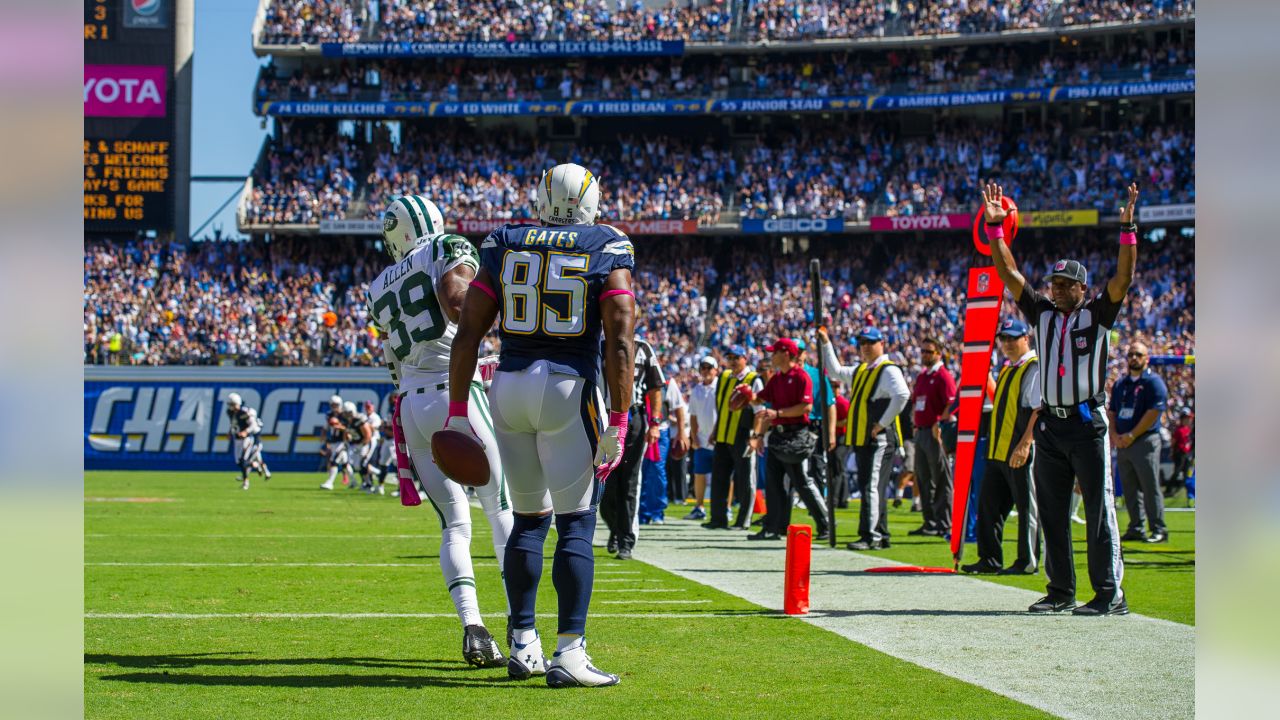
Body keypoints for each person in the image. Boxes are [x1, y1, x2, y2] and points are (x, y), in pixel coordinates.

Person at [446, 162, 635, 687]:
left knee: (529, 520)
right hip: (566, 386)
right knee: (576, 522)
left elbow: (467, 333)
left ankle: (522, 642)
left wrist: (458, 411)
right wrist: (619, 417)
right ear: (590, 201)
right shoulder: (606, 243)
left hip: (507, 386)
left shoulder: (504, 240)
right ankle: (569, 652)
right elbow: (619, 338)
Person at [368, 194, 514, 668]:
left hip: (412, 403)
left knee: (455, 521)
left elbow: (395, 363)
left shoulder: (377, 286)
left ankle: (473, 627)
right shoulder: (447, 246)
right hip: (455, 394)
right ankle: (521, 624)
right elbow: (457, 306)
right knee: (501, 507)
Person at [983, 180, 1137, 616]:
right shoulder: (1043, 314)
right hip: (1052, 424)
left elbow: (1123, 278)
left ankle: (1109, 594)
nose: (1057, 289)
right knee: (1051, 510)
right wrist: (996, 231)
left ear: (1083, 289)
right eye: (1054, 283)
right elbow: (1011, 275)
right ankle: (1060, 590)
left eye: (1067, 285)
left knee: (1098, 510)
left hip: (1088, 423)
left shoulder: (1097, 315)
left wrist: (1128, 230)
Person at [818, 326, 910, 551]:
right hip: (864, 438)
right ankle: (881, 533)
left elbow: (902, 395)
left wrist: (882, 423)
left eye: (870, 342)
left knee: (871, 487)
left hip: (878, 438)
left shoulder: (887, 370)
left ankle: (871, 535)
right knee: (872, 486)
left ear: (881, 344)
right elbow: (836, 371)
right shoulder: (863, 370)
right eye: (862, 343)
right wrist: (826, 343)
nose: (866, 347)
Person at [962, 318, 1042, 575]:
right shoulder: (1008, 368)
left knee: (1027, 507)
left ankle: (1027, 560)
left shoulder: (1034, 367)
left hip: (1018, 450)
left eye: (1012, 338)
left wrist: (1026, 443)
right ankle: (989, 558)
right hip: (997, 450)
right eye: (1003, 338)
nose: (1007, 343)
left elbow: (1039, 410)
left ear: (1025, 339)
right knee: (989, 507)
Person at [747, 338, 827, 541]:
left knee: (802, 482)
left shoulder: (802, 377)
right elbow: (760, 399)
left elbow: (805, 407)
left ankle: (825, 523)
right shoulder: (776, 379)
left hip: (796, 434)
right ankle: (773, 527)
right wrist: (747, 395)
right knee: (773, 484)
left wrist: (778, 413)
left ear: (785, 354)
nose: (771, 356)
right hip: (778, 434)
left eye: (775, 352)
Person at [600, 327, 663, 559]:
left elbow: (656, 387)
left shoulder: (643, 348)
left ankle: (626, 540)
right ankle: (616, 528)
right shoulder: (598, 346)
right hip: (603, 418)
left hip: (632, 417)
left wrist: (655, 422)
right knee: (605, 485)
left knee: (629, 482)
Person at [1109, 341, 1170, 543]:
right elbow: (1112, 412)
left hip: (1144, 440)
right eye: (1131, 354)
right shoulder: (1121, 383)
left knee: (1149, 485)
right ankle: (1136, 526)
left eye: (1138, 354)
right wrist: (1115, 434)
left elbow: (1153, 413)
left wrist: (1132, 435)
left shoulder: (1153, 382)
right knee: (1129, 488)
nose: (1134, 358)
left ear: (1147, 358)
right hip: (1123, 440)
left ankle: (1158, 528)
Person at [704, 345, 765, 530]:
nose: (732, 361)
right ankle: (718, 518)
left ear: (744, 358)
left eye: (735, 358)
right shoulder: (723, 377)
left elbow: (759, 411)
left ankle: (743, 521)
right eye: (729, 357)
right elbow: (720, 407)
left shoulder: (753, 379)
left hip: (742, 434)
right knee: (719, 478)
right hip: (723, 435)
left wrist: (755, 436)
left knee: (746, 479)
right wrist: (715, 430)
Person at [907, 336, 957, 537]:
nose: (925, 355)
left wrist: (940, 423)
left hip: (936, 432)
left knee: (941, 479)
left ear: (938, 353)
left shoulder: (944, 376)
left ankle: (943, 523)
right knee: (924, 479)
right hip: (921, 431)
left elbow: (952, 403)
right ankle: (929, 521)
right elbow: (916, 402)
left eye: (929, 351)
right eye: (923, 351)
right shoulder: (922, 376)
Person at [640, 364, 686, 525]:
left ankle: (656, 511)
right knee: (639, 472)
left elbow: (679, 407)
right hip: (637, 431)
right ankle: (640, 512)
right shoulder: (634, 377)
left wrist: (681, 433)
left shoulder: (668, 382)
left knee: (657, 471)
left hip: (660, 432)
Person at [684, 355, 720, 520]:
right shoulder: (697, 389)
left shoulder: (720, 386)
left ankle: (724, 507)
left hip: (719, 439)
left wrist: (716, 433)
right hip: (702, 439)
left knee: (723, 475)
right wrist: (694, 436)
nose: (705, 371)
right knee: (699, 474)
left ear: (715, 369)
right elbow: (693, 415)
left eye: (708, 367)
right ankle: (699, 507)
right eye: (703, 368)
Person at [226, 392, 269, 490]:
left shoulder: (244, 413)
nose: (230, 406)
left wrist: (245, 431)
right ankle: (256, 465)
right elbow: (233, 423)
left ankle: (246, 482)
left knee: (243, 460)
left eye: (231, 404)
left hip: (246, 439)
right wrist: (229, 432)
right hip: (236, 439)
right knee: (239, 462)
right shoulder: (230, 412)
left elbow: (253, 425)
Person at [320, 394, 349, 490]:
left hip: (342, 441)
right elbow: (326, 427)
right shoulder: (329, 415)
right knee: (345, 463)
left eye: (336, 405)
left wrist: (339, 426)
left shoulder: (344, 415)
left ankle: (330, 483)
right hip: (333, 441)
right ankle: (353, 481)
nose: (334, 407)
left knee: (334, 461)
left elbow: (349, 429)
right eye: (332, 405)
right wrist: (323, 438)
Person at [1166, 408, 1194, 498]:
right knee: (1177, 472)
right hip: (1179, 454)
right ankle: (1169, 489)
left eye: (1190, 418)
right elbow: (1173, 442)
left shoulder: (1189, 429)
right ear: (1182, 419)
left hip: (1187, 454)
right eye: (1187, 418)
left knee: (1187, 473)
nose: (1189, 420)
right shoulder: (1179, 430)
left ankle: (1185, 491)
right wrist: (1172, 452)